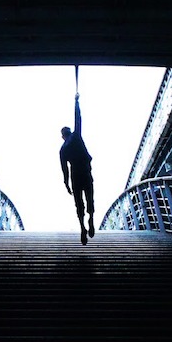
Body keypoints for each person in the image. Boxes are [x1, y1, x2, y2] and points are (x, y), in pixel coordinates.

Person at [60, 92, 95, 245]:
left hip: (74, 176)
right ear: (69, 132)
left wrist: (66, 184)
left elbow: (64, 169)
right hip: (85, 172)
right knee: (89, 198)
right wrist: (76, 102)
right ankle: (91, 220)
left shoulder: (62, 149)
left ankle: (82, 227)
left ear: (62, 136)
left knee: (78, 203)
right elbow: (78, 118)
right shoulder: (76, 136)